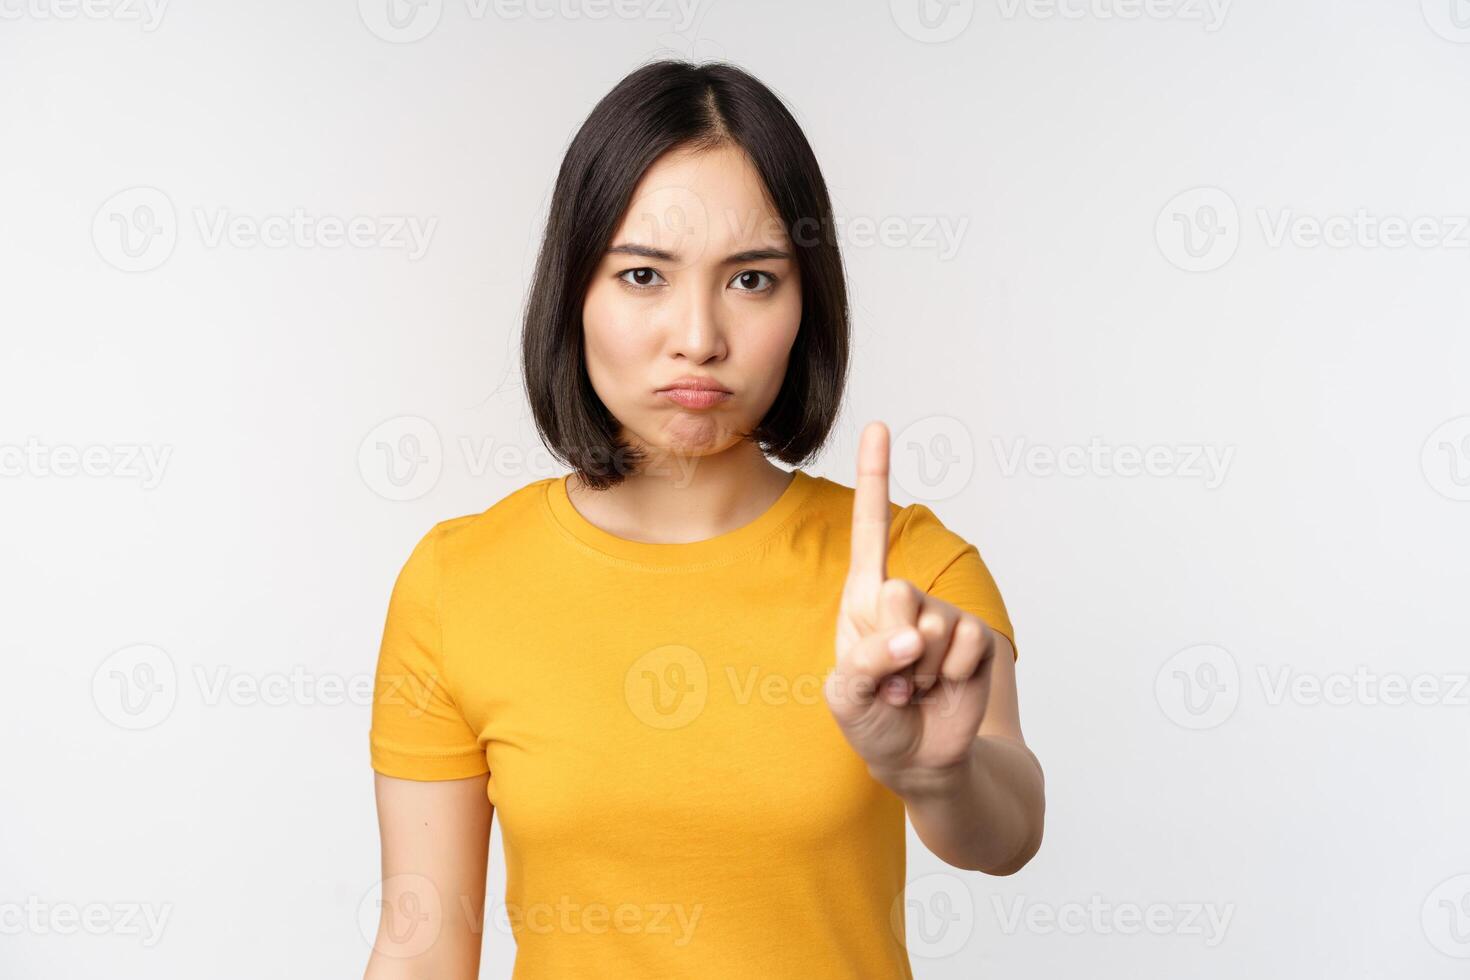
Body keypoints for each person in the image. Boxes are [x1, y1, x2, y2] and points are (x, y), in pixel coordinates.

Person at [363, 58, 1044, 980]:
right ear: (573, 292)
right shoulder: (458, 582)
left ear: (807, 302)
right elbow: (422, 946)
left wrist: (938, 774)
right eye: (643, 274)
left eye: (752, 280)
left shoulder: (907, 574)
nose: (699, 335)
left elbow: (1009, 833)